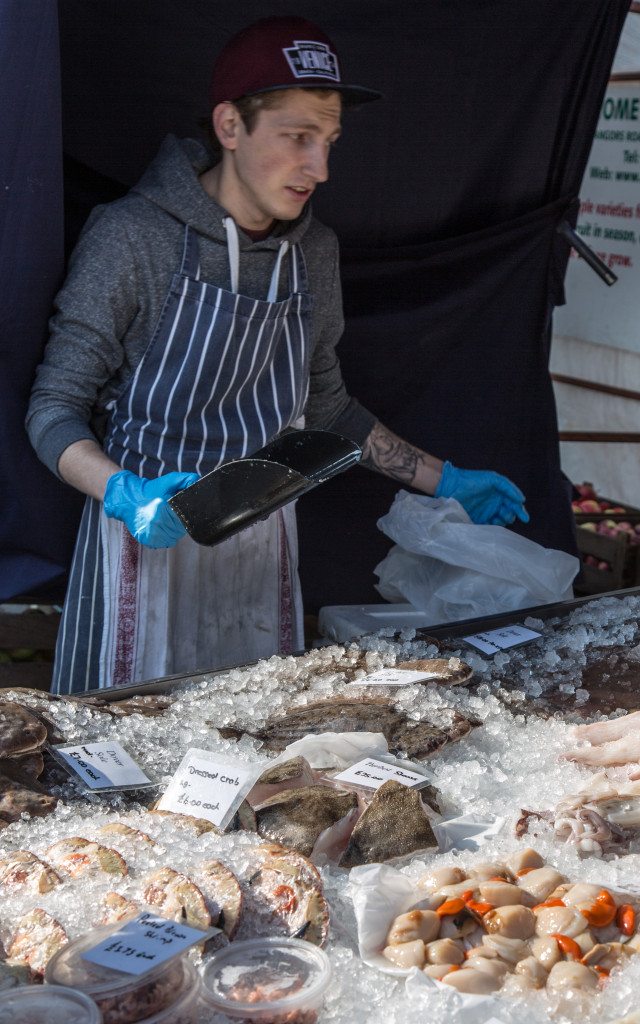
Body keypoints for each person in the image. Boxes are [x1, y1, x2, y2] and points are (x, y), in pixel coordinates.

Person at [26, 16, 530, 695]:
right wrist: (123, 493)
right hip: (144, 549)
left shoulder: (312, 254)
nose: (319, 168)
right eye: (297, 137)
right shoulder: (131, 239)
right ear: (231, 126)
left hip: (260, 552)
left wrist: (443, 480)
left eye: (329, 141)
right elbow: (54, 409)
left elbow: (327, 408)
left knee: (251, 740)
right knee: (128, 758)